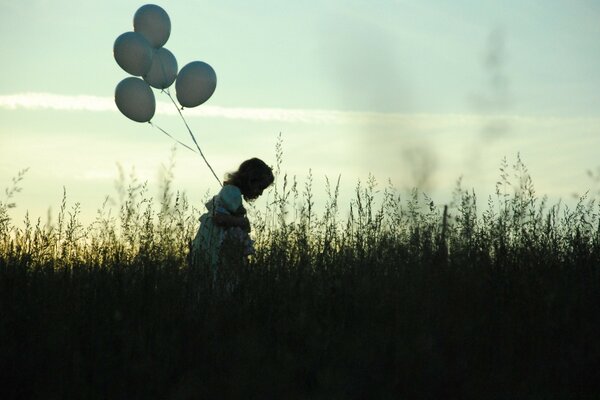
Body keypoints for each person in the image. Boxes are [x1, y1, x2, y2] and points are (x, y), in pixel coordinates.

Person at [191, 158, 274, 281]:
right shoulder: (231, 192)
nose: (260, 193)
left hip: (215, 240)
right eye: (260, 187)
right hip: (215, 241)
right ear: (251, 181)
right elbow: (219, 218)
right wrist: (242, 222)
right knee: (216, 275)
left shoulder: (232, 192)